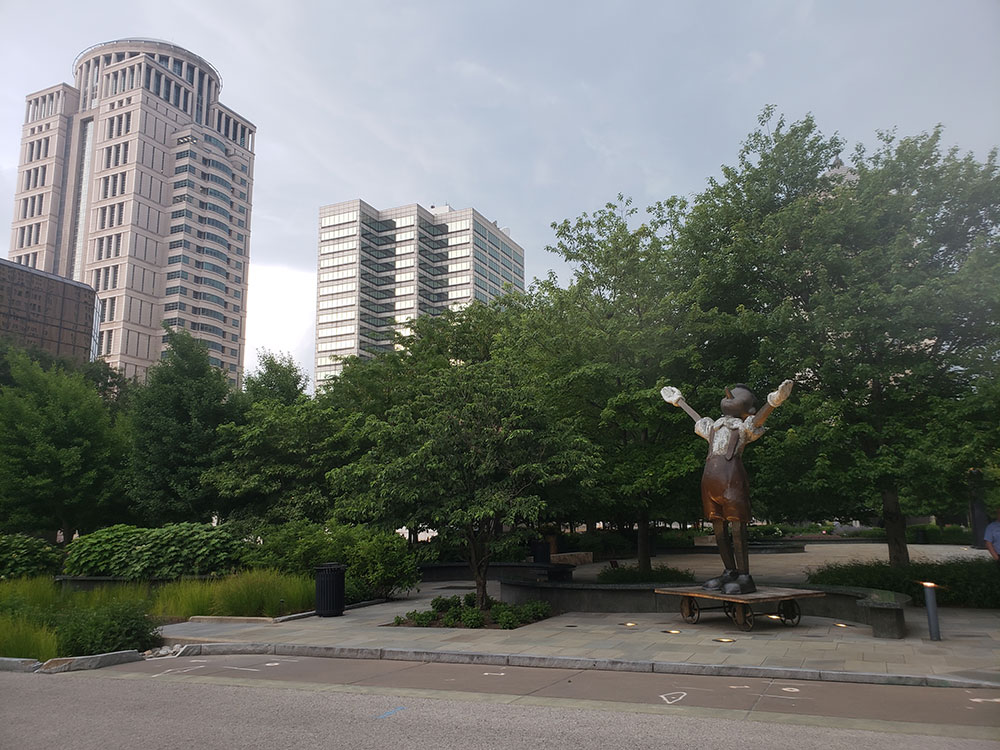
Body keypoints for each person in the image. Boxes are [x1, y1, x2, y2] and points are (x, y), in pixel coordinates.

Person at [661, 379, 794, 594]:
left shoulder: (744, 427)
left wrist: (773, 402)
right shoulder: (712, 426)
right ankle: (729, 571)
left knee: (736, 526)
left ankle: (744, 575)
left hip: (732, 480)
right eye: (729, 394)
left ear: (748, 409)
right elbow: (696, 419)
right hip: (710, 481)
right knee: (718, 527)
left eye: (736, 396)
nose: (729, 396)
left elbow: (758, 420)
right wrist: (679, 401)